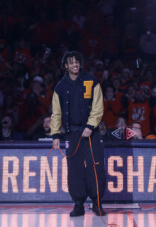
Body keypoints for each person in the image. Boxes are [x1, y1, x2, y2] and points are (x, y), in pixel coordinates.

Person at [50, 51, 106, 217]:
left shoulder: (91, 81)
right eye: (71, 62)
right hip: (72, 134)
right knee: (74, 169)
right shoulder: (60, 87)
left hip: (91, 133)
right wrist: (55, 135)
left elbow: (98, 106)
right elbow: (56, 113)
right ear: (66, 66)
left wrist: (90, 125)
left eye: (77, 62)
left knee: (95, 167)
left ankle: (97, 203)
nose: (75, 65)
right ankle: (78, 203)